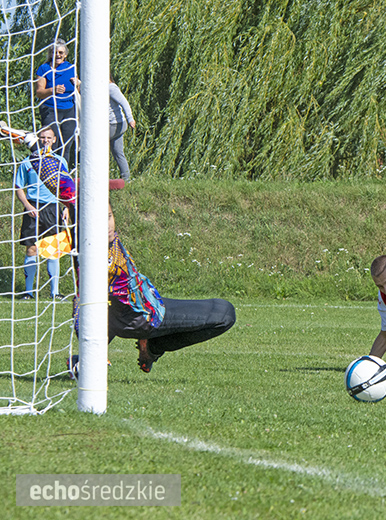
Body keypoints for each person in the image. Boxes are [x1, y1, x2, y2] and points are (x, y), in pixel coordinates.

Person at [74, 204, 237, 373]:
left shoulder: (108, 239)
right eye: (99, 220)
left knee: (222, 308)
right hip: (143, 318)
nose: (107, 225)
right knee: (224, 315)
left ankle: (83, 360)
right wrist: (93, 352)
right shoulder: (92, 256)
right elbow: (81, 302)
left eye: (108, 216)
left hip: (151, 303)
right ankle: (153, 346)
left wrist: (72, 204)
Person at [14, 126, 69, 299]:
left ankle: (54, 292)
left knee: (53, 250)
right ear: (38, 139)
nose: (45, 140)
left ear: (54, 140)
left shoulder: (60, 161)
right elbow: (18, 187)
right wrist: (27, 205)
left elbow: (67, 188)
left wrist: (66, 207)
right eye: (42, 137)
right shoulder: (27, 162)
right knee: (32, 249)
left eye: (48, 138)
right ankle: (29, 292)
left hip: (52, 209)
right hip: (33, 208)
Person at [34, 38, 79, 168]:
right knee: (52, 142)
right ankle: (48, 169)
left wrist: (78, 83)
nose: (58, 55)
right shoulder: (44, 68)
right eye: (55, 52)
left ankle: (63, 171)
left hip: (69, 109)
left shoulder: (71, 67)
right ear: (50, 54)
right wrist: (52, 90)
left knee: (67, 143)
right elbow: (39, 92)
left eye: (60, 52)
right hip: (50, 109)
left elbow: (80, 89)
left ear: (65, 54)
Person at [109, 74, 136, 182]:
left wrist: (130, 118)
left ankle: (98, 177)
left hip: (113, 124)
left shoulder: (110, 88)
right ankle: (127, 178)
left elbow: (124, 102)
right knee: (118, 152)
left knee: (96, 148)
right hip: (118, 124)